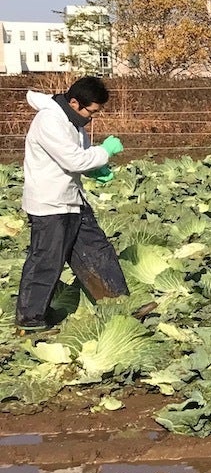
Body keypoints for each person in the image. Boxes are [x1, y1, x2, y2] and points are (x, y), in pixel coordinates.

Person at [17, 76, 128, 332]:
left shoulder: (73, 121)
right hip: (50, 204)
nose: (92, 117)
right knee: (46, 260)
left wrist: (96, 170)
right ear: (75, 102)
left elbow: (82, 156)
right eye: (92, 111)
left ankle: (117, 304)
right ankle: (30, 319)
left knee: (97, 251)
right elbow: (74, 160)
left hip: (72, 199)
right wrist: (105, 152)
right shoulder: (49, 120)